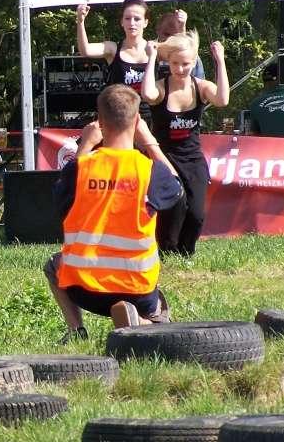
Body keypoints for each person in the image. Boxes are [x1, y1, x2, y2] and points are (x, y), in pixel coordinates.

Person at [44, 85, 183, 342]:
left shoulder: (81, 168)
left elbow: (63, 190)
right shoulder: (148, 171)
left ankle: (76, 330)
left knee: (54, 264)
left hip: (83, 289)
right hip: (136, 291)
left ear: (99, 121)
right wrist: (150, 142)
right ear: (137, 120)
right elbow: (177, 187)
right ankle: (142, 322)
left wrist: (86, 144)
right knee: (161, 315)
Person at [141, 30, 229, 256]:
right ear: (168, 62)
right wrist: (151, 58)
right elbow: (148, 94)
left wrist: (220, 61)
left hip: (192, 158)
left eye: (186, 64)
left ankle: (186, 252)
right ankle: (167, 251)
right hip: (165, 158)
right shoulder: (162, 87)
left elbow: (222, 99)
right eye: (175, 63)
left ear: (194, 61)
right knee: (174, 207)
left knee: (196, 213)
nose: (180, 69)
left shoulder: (201, 87)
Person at [76, 0, 155, 124]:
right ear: (122, 22)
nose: (132, 23)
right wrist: (80, 21)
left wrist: (182, 26)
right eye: (127, 18)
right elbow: (85, 50)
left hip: (150, 117)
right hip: (120, 118)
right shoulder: (113, 48)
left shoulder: (155, 48)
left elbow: (184, 53)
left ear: (145, 22)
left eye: (137, 19)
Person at [155, 9, 205, 79]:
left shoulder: (191, 55)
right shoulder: (148, 53)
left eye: (174, 35)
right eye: (166, 34)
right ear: (158, 30)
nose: (169, 40)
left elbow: (199, 81)